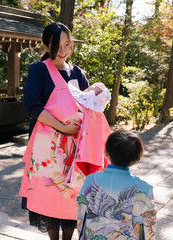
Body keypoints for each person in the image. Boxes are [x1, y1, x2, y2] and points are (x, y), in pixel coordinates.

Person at [19, 22, 111, 240]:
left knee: (72, 194)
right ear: (44, 46)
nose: (63, 51)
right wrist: (62, 127)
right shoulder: (39, 70)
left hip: (75, 146)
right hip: (47, 147)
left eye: (68, 45)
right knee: (52, 194)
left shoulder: (77, 72)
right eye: (57, 46)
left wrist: (94, 93)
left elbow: (86, 105)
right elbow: (32, 106)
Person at [77, 130, 157, 239]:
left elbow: (82, 211)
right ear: (138, 158)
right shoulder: (143, 188)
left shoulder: (91, 180)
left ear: (106, 152)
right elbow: (148, 224)